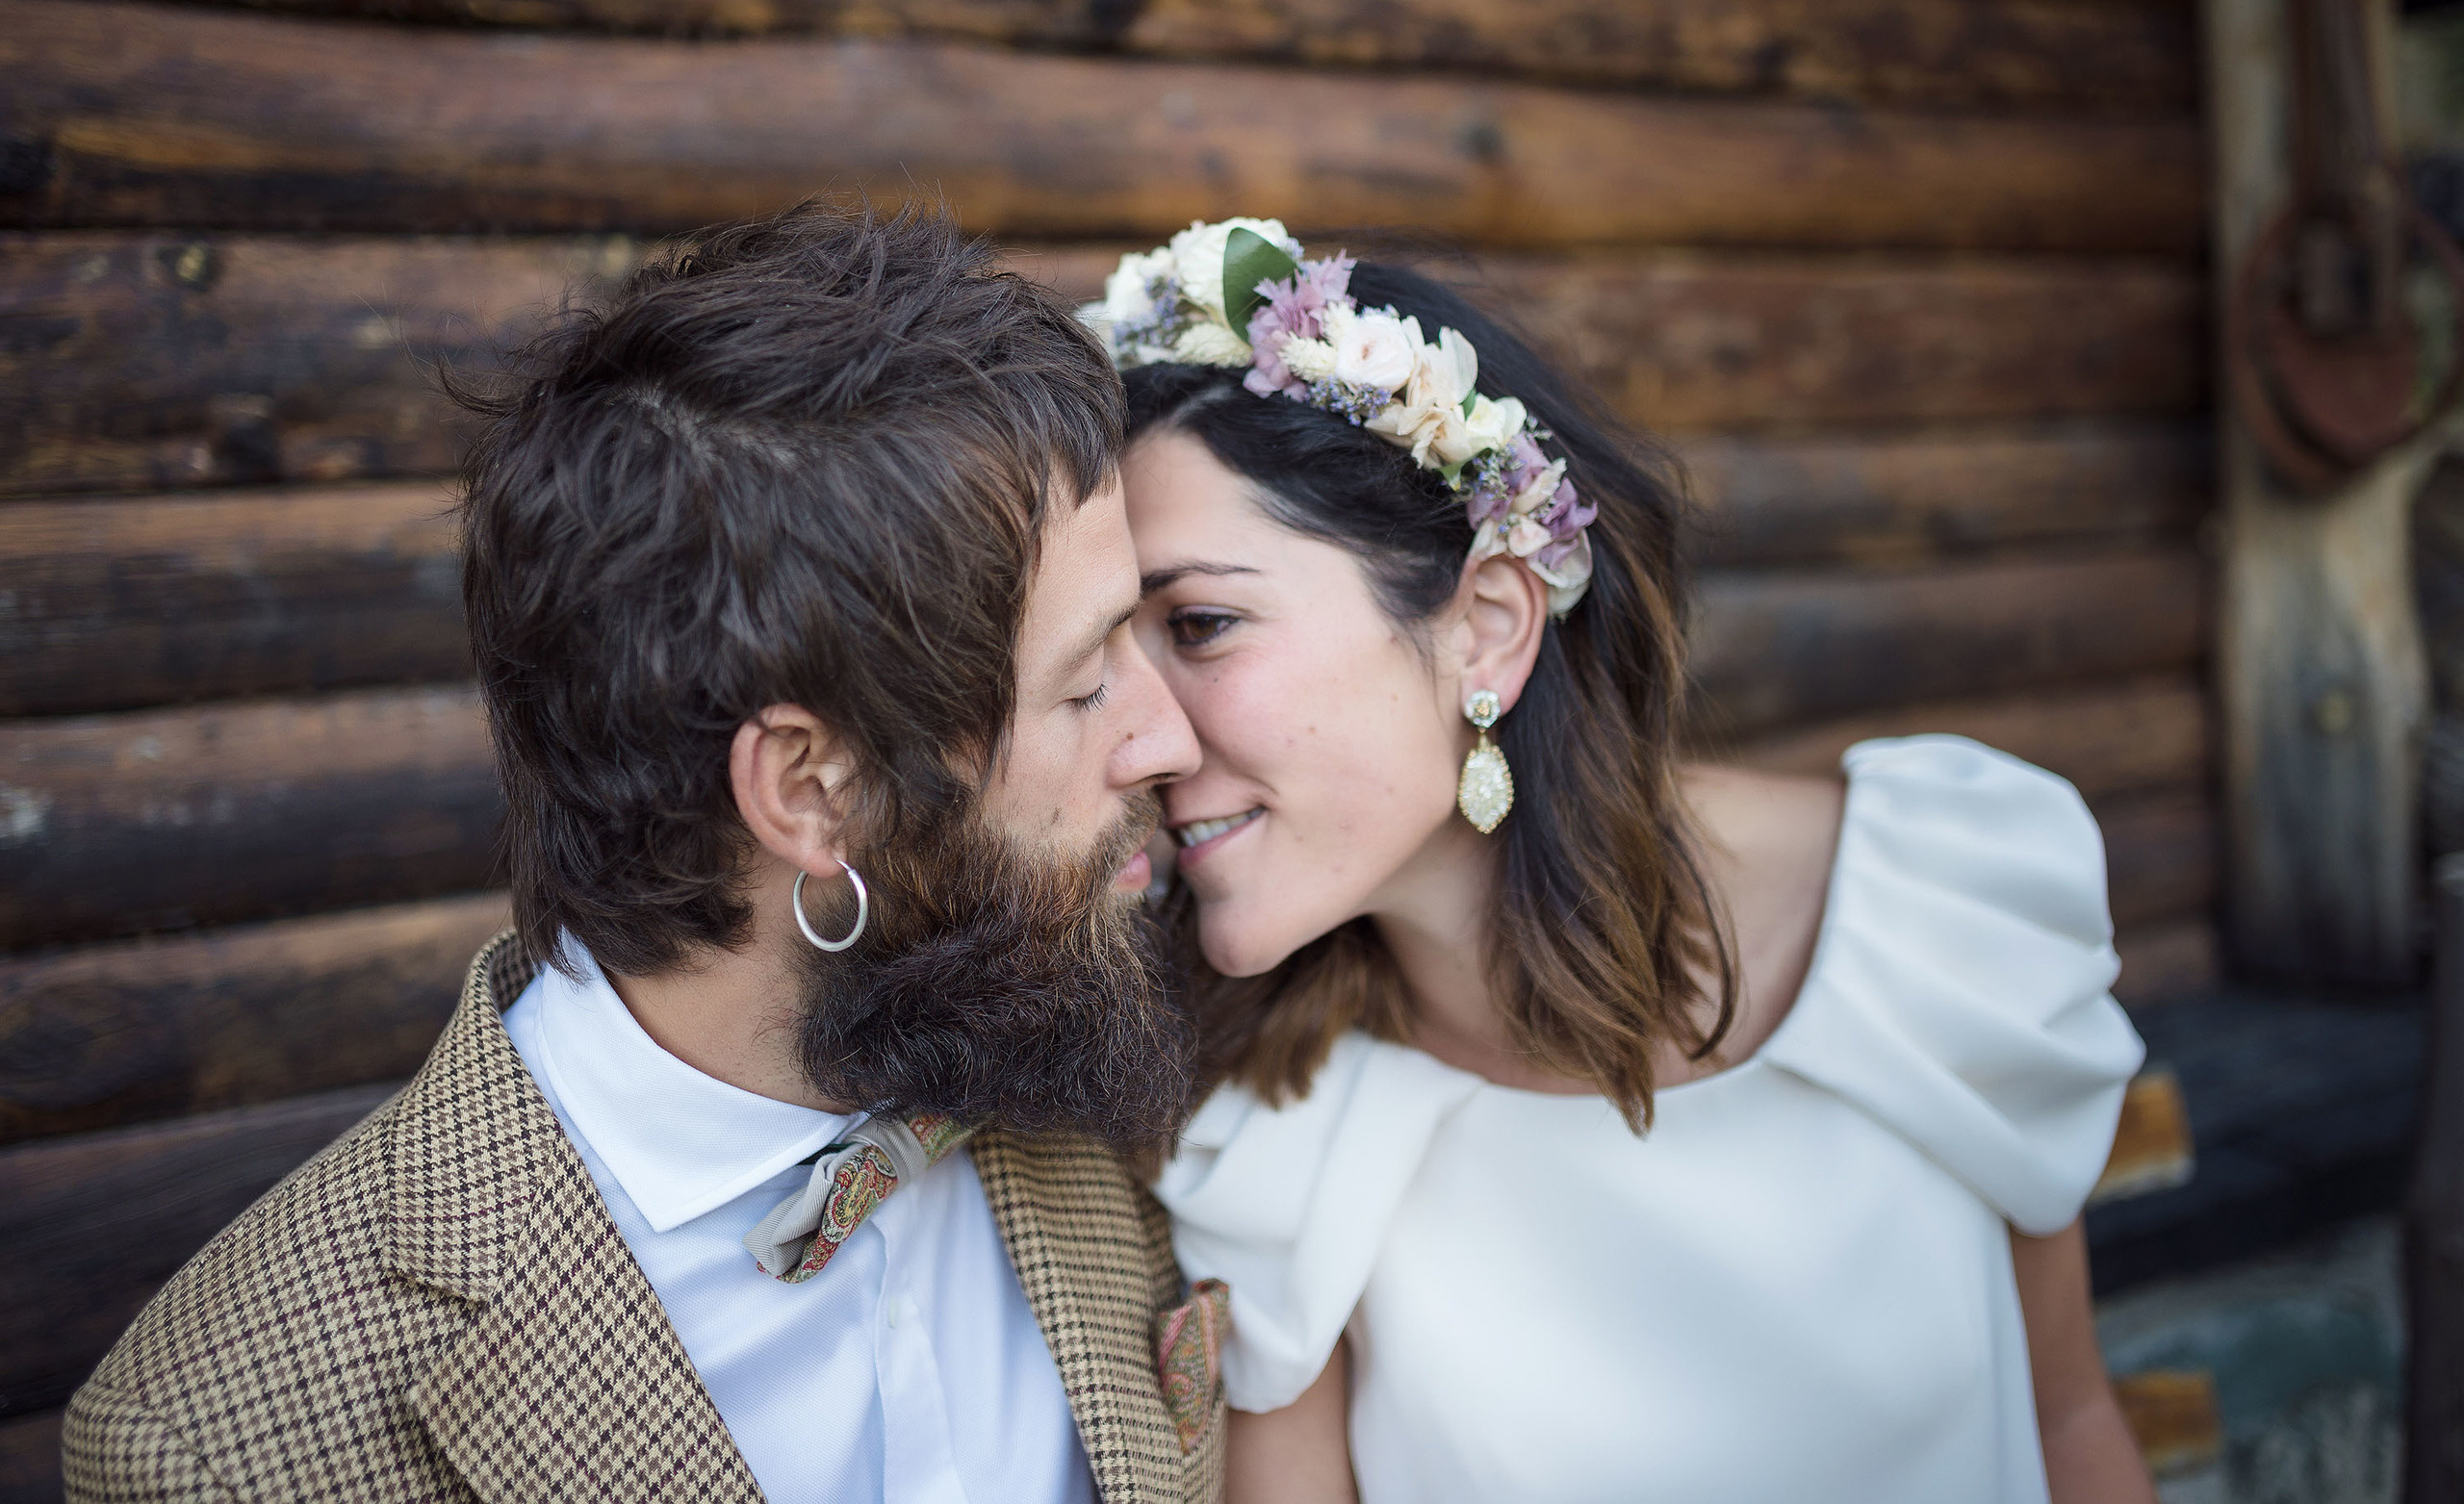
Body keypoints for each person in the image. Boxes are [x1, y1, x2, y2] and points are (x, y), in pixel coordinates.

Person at [64, 203, 1230, 1504]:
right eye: (1084, 688)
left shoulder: (1077, 1036)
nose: (1170, 737)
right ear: (812, 794)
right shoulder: (233, 1445)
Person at [1079, 218, 2160, 1504]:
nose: (1139, 736)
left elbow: (2072, 1422)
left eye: (1200, 625)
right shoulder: (1260, 1123)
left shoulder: (1932, 911)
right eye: (1101, 662)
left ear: (1487, 625)